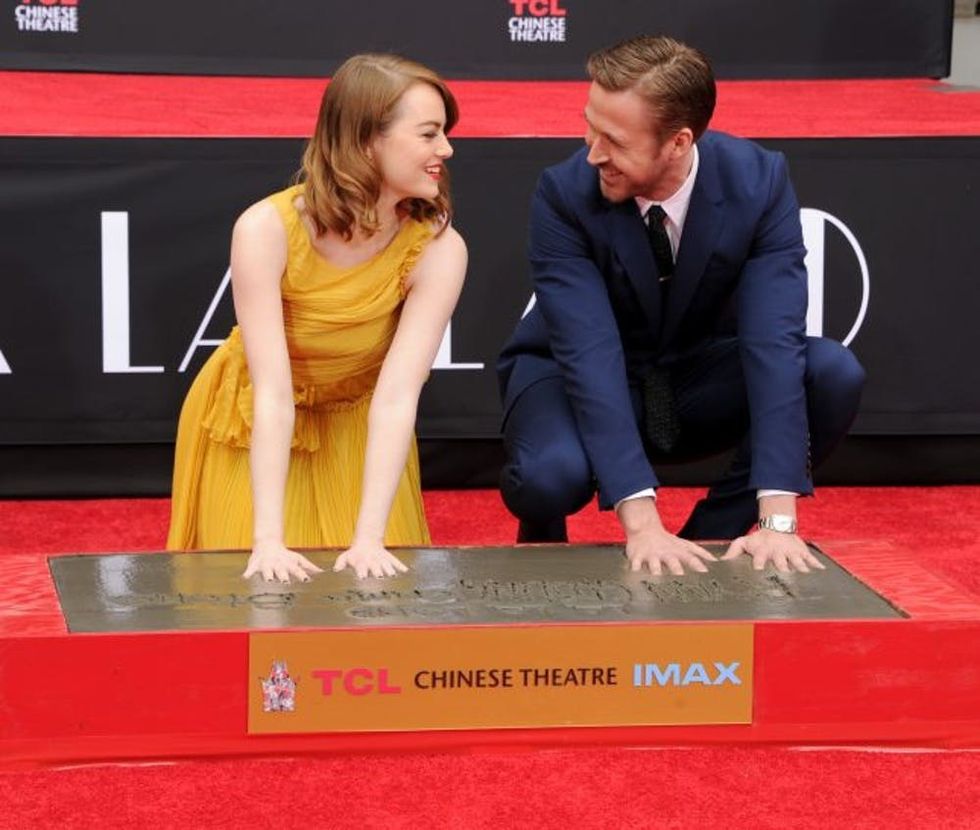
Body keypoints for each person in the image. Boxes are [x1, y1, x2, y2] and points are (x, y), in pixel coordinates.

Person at [497, 35, 865, 576]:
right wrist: (642, 525)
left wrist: (778, 520)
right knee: (548, 476)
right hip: (567, 372)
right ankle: (541, 541)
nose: (593, 151)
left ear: (678, 142)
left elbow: (773, 341)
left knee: (831, 372)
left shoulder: (757, 181)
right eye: (589, 126)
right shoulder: (564, 192)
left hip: (692, 375)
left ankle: (710, 538)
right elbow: (589, 353)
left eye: (614, 139)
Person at [167, 54, 467, 582]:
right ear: (365, 140)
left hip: (359, 424)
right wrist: (267, 540)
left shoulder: (439, 249)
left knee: (374, 591)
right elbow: (272, 393)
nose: (445, 148)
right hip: (252, 420)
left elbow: (398, 397)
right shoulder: (265, 229)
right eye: (428, 134)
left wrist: (369, 538)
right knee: (246, 595)